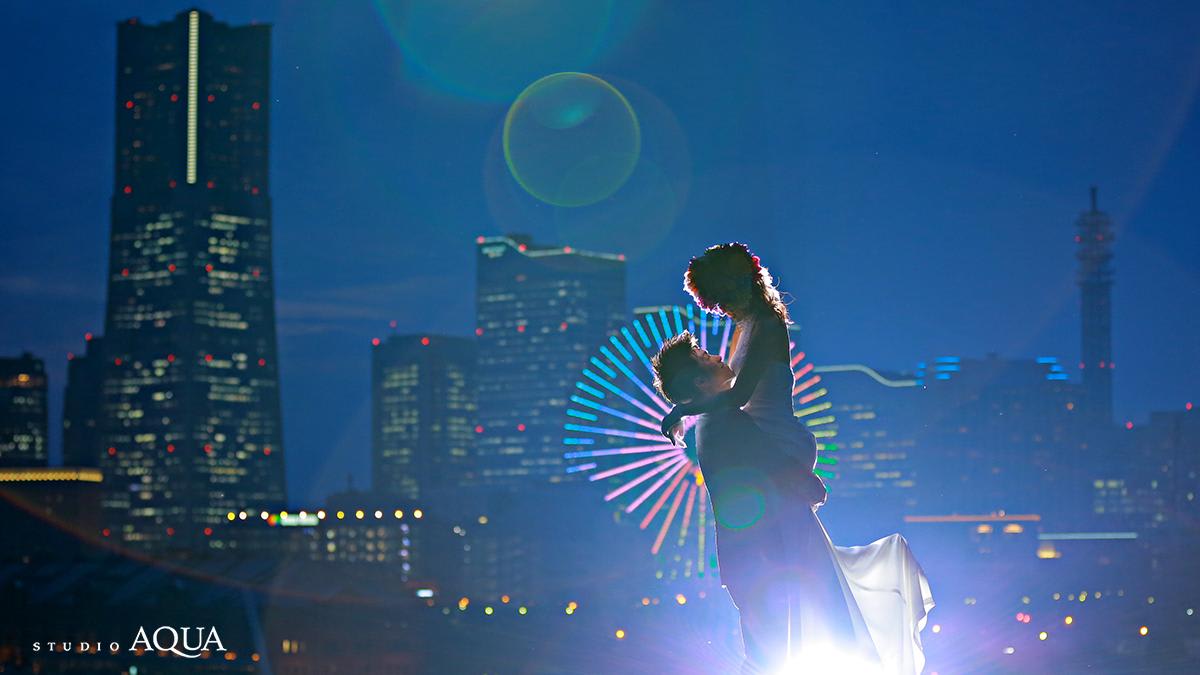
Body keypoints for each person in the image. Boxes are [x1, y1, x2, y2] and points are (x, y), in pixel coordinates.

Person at [655, 242, 935, 674]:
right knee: (810, 599)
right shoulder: (743, 336)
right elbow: (737, 409)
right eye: (714, 302)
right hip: (773, 472)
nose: (719, 310)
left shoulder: (765, 325)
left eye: (720, 297)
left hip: (776, 453)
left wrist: (683, 410)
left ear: (736, 283)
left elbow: (740, 396)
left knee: (797, 612)